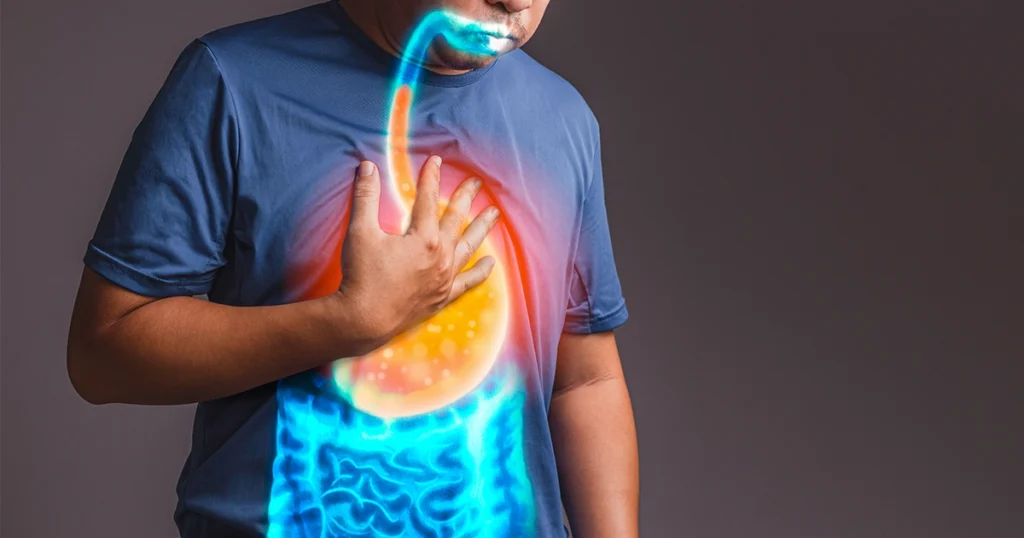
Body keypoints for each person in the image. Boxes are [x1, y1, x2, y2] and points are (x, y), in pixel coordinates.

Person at [66, 0, 639, 536]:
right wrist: (349, 322)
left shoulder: (563, 120)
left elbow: (586, 379)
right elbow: (102, 354)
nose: (515, 0)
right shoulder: (233, 82)